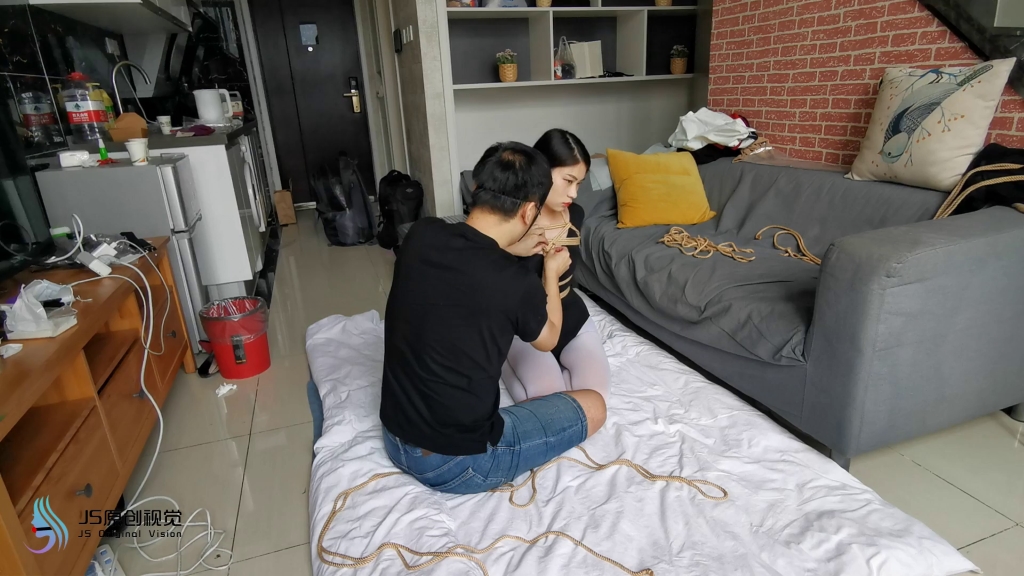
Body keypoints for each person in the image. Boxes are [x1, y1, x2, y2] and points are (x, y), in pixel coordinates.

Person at [379, 141, 607, 495]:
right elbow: (548, 337)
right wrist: (550, 272)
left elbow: (472, 256)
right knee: (595, 405)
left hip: (395, 436)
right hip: (458, 462)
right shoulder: (513, 282)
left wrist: (512, 247)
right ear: (529, 211)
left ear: (476, 187)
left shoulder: (422, 234)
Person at [501, 129, 611, 405]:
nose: (573, 193)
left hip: (570, 315)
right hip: (526, 324)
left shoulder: (576, 214)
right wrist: (514, 248)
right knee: (546, 405)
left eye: (579, 184)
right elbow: (481, 261)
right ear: (541, 170)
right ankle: (502, 360)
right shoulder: (514, 217)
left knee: (595, 399)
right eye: (568, 180)